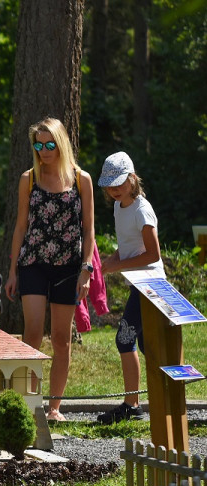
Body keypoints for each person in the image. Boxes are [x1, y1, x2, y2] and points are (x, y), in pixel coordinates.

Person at [4, 117, 95, 422]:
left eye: (49, 144)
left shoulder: (82, 179)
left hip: (68, 268)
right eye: (38, 145)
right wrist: (13, 270)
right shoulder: (28, 179)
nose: (43, 150)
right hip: (33, 264)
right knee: (32, 333)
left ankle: (54, 406)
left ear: (61, 143)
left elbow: (89, 230)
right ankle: (27, 401)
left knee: (60, 338)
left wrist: (86, 269)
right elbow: (20, 227)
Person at [96, 151, 163, 424]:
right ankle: (162, 396)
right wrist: (107, 262)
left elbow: (153, 255)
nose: (113, 189)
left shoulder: (141, 210)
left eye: (119, 183)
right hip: (138, 283)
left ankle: (132, 405)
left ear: (132, 179)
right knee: (149, 346)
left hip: (151, 285)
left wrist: (116, 267)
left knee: (124, 338)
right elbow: (126, 248)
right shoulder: (118, 206)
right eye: (109, 185)